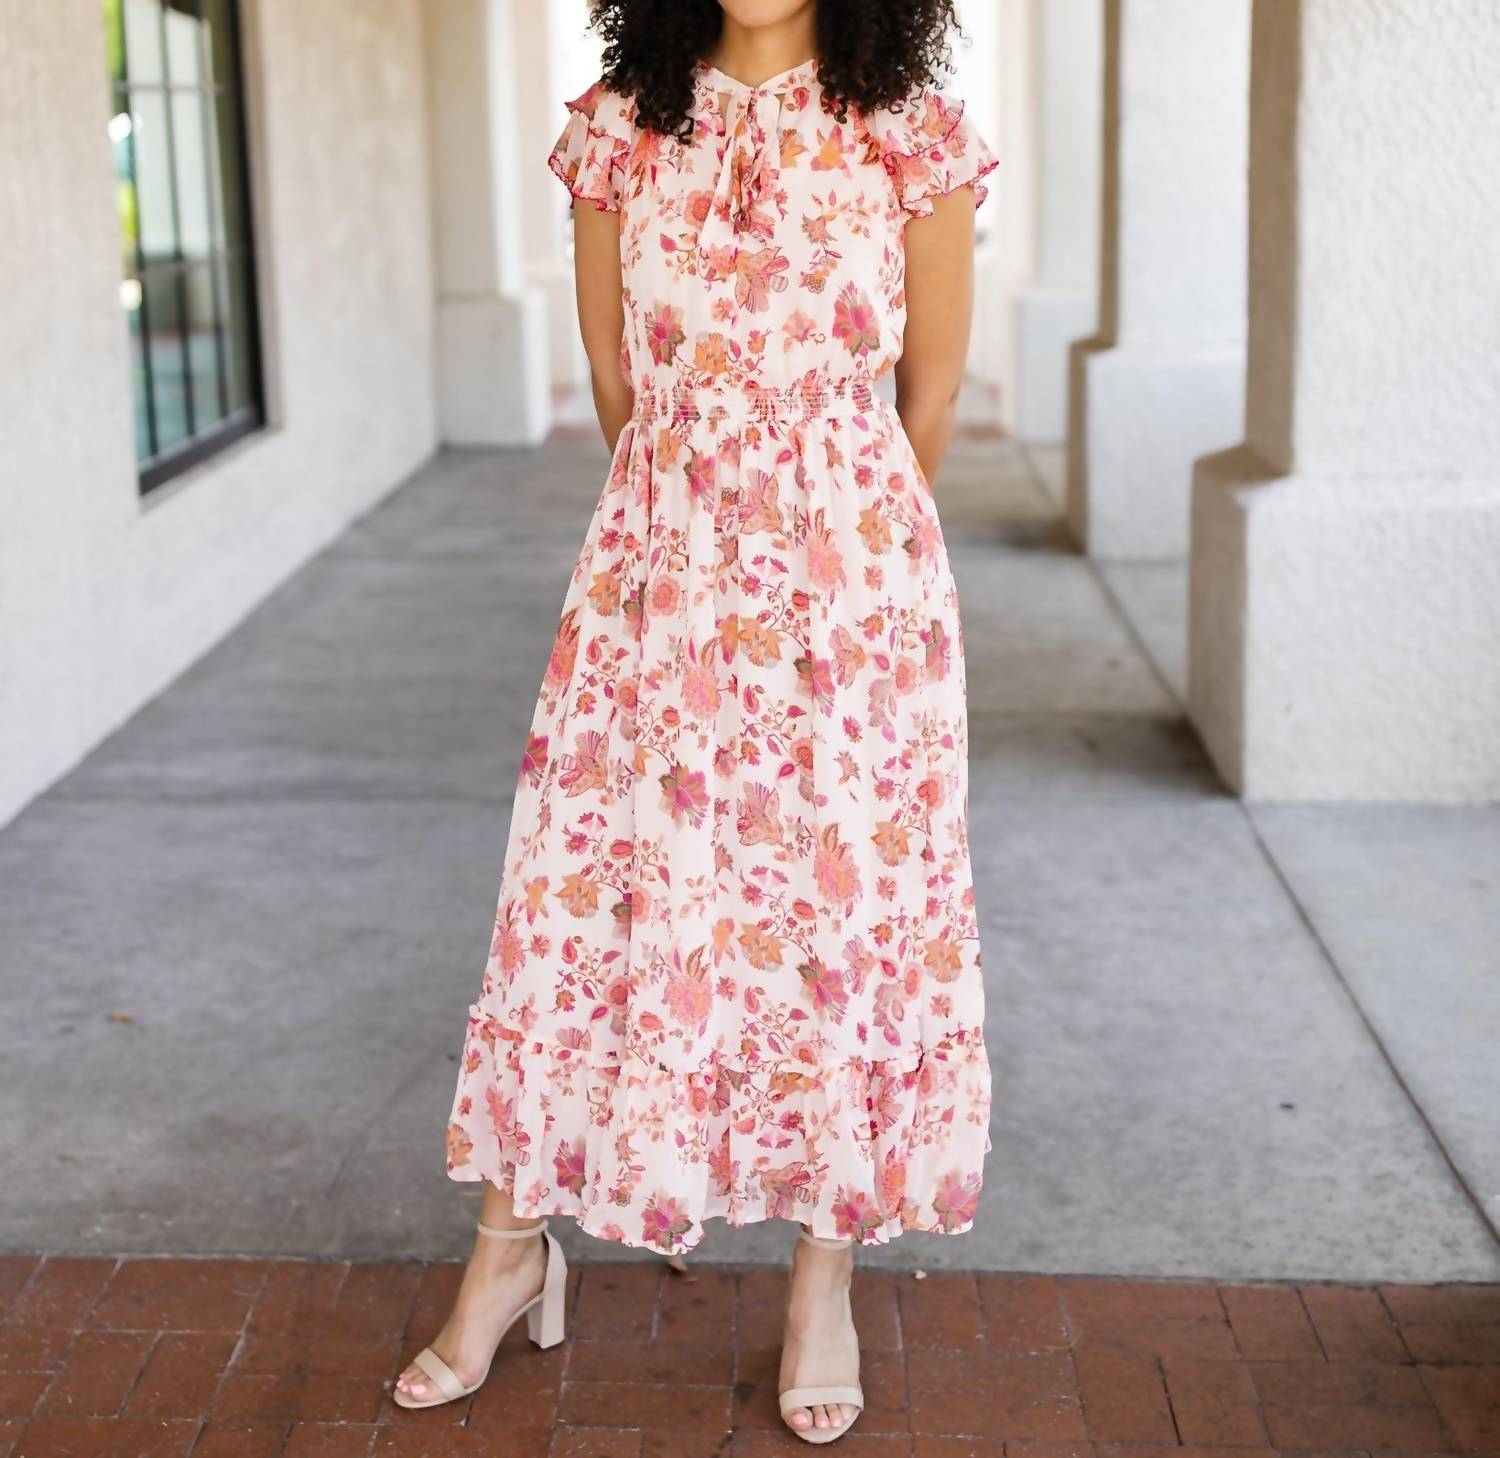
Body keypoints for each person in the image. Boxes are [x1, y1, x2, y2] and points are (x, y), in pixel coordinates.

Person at [394, 0, 996, 1442]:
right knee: (579, 899)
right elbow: (617, 384)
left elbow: (930, 395)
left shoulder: (913, 136)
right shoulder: (621, 128)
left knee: (830, 925)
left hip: (855, 606)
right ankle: (507, 1247)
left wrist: (822, 545)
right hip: (655, 580)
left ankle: (823, 1272)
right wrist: (699, 528)